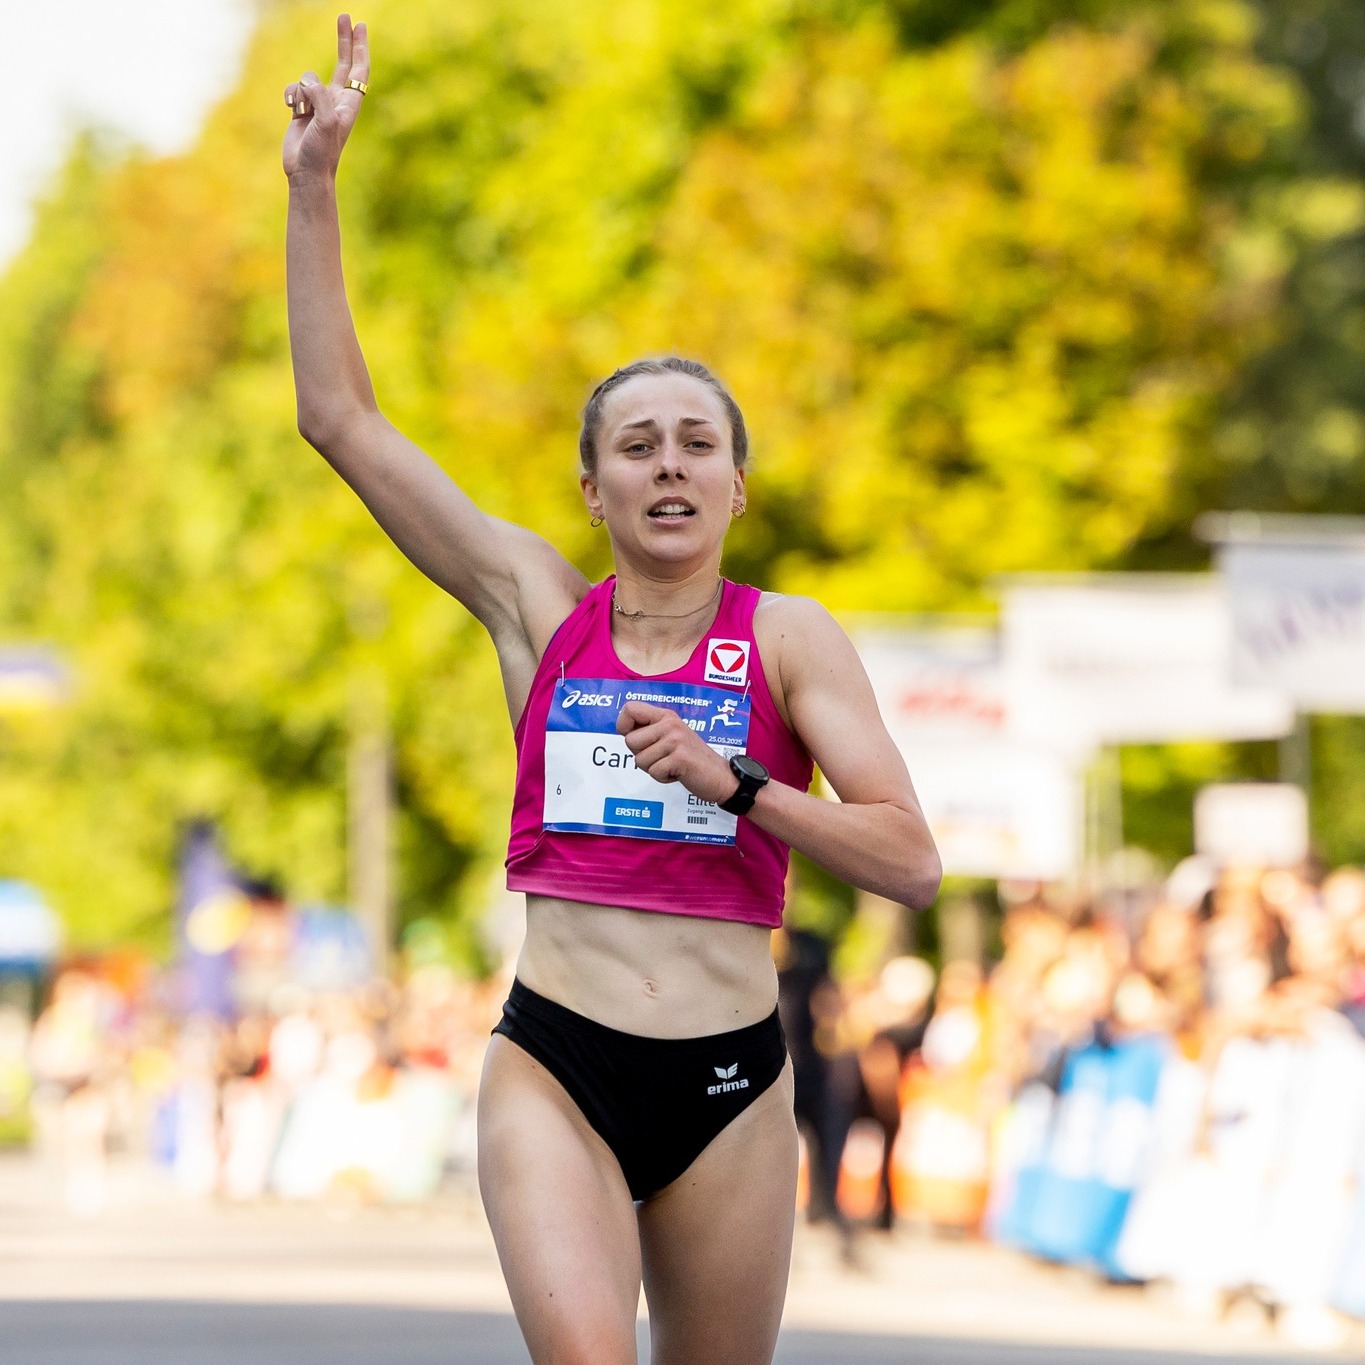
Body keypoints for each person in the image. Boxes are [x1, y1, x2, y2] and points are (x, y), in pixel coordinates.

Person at [283, 16, 941, 1363]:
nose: (669, 466)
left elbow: (911, 861)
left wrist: (740, 785)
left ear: (736, 484)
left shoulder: (789, 641)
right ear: (594, 486)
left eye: (698, 443)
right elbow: (338, 420)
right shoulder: (535, 602)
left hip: (729, 1077)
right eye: (635, 446)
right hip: (558, 1063)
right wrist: (312, 186)